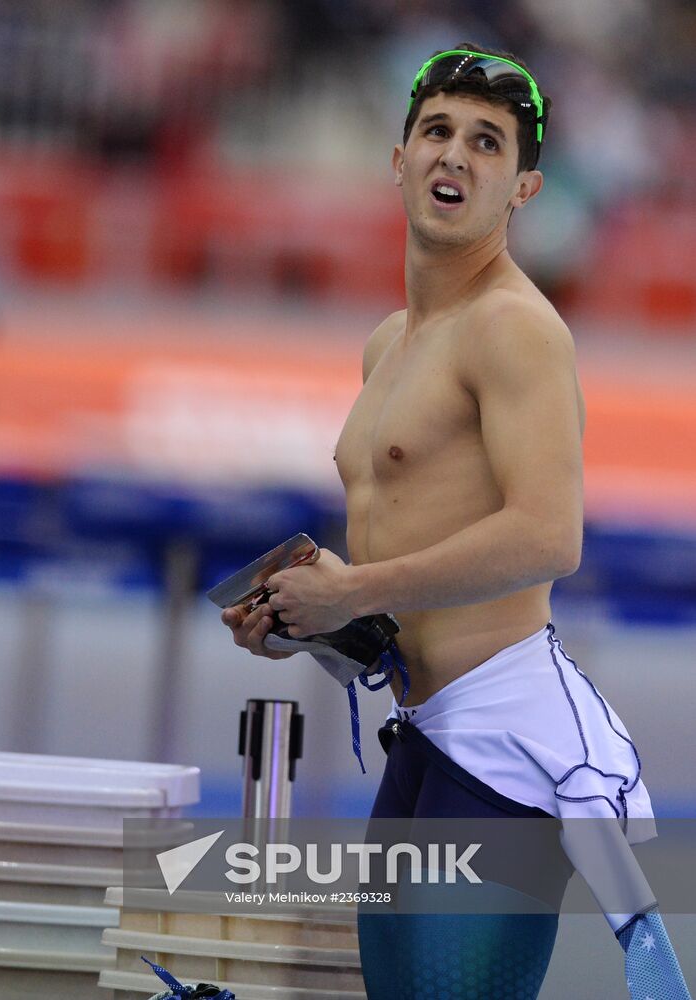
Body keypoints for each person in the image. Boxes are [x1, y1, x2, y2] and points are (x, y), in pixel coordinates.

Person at [222, 44, 691, 1000]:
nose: (456, 156)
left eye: (487, 143)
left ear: (522, 188)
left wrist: (351, 584)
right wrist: (319, 624)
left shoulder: (516, 329)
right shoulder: (389, 344)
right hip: (424, 726)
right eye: (437, 131)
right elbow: (418, 568)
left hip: (507, 743)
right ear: (397, 158)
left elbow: (547, 537)